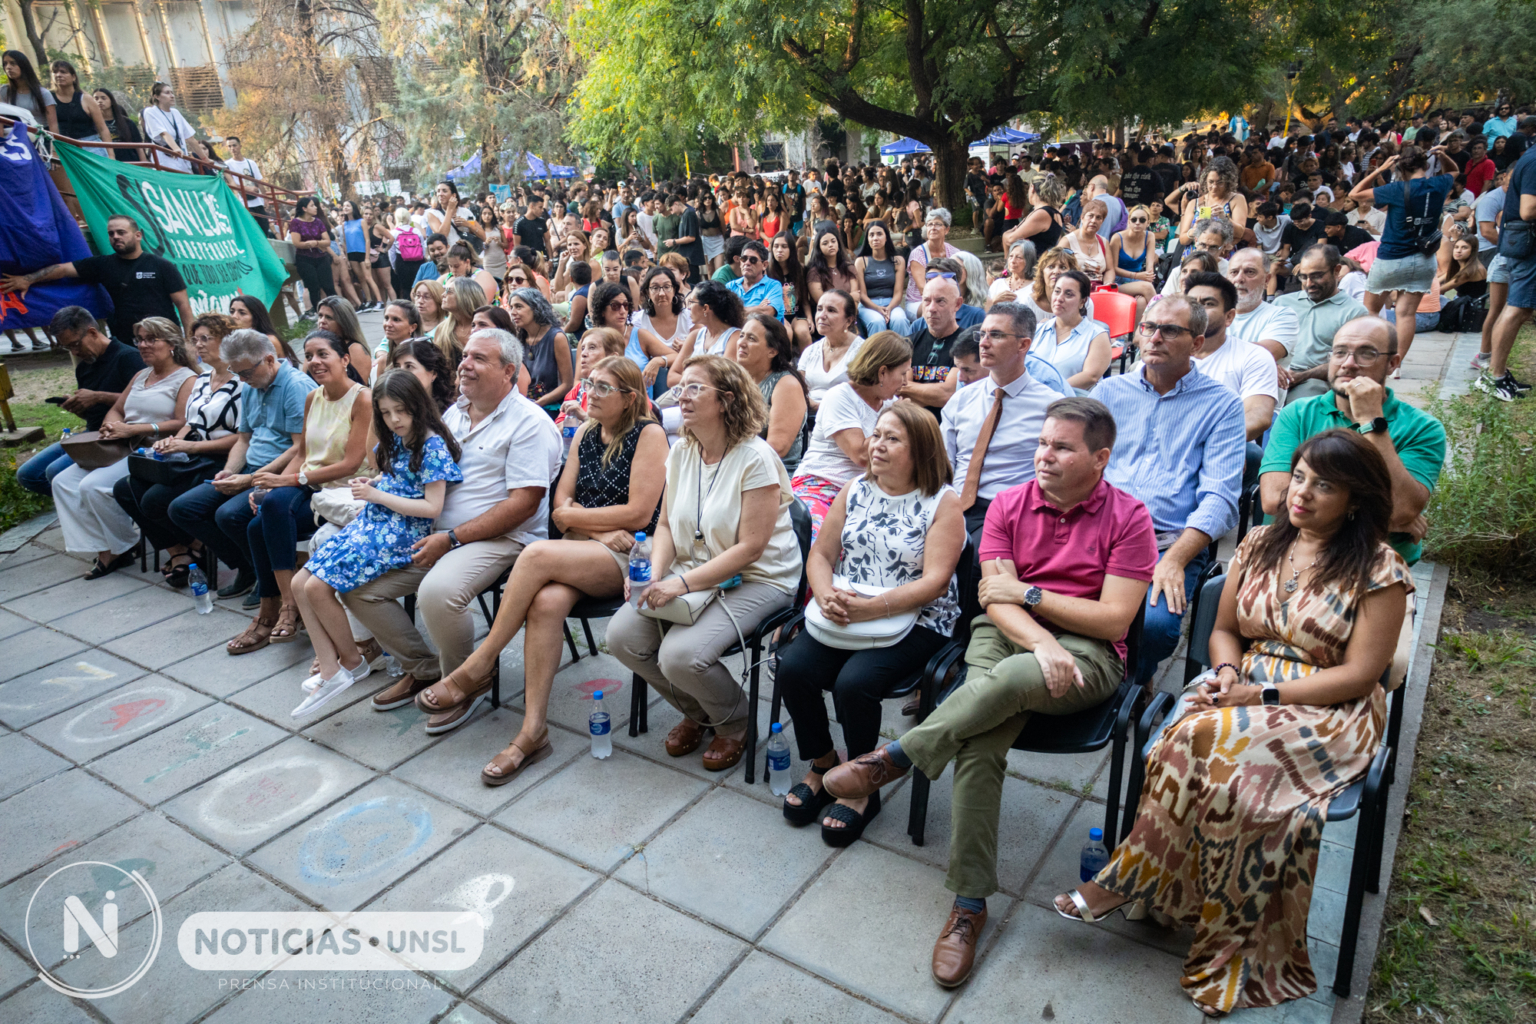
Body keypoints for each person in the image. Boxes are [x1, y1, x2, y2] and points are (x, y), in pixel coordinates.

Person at [1064, 429, 1410, 1017]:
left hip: (1328, 708)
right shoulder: (1261, 541)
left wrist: (1262, 693)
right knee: (1179, 740)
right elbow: (1225, 630)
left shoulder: (1381, 569)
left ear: (1355, 500)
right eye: (1298, 477)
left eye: (1323, 486)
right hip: (1243, 683)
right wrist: (1225, 673)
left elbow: (1360, 676)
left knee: (1233, 778)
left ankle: (1183, 917)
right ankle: (1151, 888)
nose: (1301, 493)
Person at [823, 397, 1157, 988]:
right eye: (1042, 442)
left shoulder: (1130, 518)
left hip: (1090, 654)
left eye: (1062, 447)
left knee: (1005, 686)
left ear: (1100, 458)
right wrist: (1041, 640)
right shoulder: (1008, 504)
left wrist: (1028, 597)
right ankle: (969, 904)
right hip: (1006, 636)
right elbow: (991, 601)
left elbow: (1112, 619)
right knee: (978, 746)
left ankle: (898, 755)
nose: (1044, 455)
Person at [436, 356, 666, 779]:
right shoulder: (586, 433)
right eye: (589, 383)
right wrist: (594, 529)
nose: (590, 393)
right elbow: (559, 508)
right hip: (587, 546)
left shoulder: (648, 435)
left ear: (630, 397)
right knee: (544, 604)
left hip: (632, 553)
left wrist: (579, 519)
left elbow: (638, 513)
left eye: (603, 387)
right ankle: (533, 732)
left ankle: (480, 663)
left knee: (535, 555)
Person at [346, 329, 562, 730]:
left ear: (508, 371)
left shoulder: (529, 422)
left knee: (438, 592)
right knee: (355, 584)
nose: (465, 365)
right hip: (433, 531)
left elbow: (524, 504)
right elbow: (420, 469)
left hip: (502, 539)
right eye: (465, 356)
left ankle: (465, 680)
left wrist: (451, 538)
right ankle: (424, 669)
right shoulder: (455, 413)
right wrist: (383, 488)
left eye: (479, 358)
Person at [779, 400, 964, 843]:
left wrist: (873, 607)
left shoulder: (943, 502)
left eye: (891, 438)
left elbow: (936, 582)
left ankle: (862, 784)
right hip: (850, 608)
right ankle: (824, 763)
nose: (876, 445)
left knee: (854, 682)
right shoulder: (855, 489)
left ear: (920, 450)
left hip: (918, 618)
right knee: (793, 668)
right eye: (876, 434)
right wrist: (824, 593)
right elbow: (821, 555)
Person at [606, 355, 802, 771]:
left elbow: (751, 548)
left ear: (726, 400)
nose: (682, 396)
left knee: (680, 656)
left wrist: (680, 584)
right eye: (681, 388)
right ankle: (700, 711)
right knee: (622, 636)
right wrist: (654, 573)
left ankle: (735, 721)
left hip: (759, 578)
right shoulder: (682, 451)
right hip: (694, 566)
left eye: (695, 388)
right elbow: (664, 526)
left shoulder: (756, 458)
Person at [1089, 295, 1245, 685]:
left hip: (1165, 541)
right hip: (1095, 531)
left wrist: (1174, 559)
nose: (1155, 338)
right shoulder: (1109, 393)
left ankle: (1132, 685)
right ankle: (1085, 675)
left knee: (1154, 627)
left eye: (1170, 330)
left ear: (1197, 343)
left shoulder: (1222, 405)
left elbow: (1220, 498)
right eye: (1149, 327)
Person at [291, 371, 463, 716]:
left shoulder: (431, 445)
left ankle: (351, 662)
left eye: (400, 410)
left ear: (417, 405)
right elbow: (396, 477)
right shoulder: (399, 440)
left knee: (317, 587)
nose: (394, 419)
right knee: (300, 583)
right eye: (385, 413)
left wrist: (377, 495)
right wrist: (375, 484)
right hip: (376, 524)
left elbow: (432, 507)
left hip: (400, 534)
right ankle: (331, 667)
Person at [1261, 316, 1445, 572]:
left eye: (1366, 354)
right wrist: (1382, 517)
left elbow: (1401, 509)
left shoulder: (1423, 428)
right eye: (1339, 353)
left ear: (1392, 363)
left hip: (1376, 565)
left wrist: (1372, 421)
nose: (1348, 363)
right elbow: (1273, 499)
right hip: (1293, 553)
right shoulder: (1297, 413)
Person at [231, 331, 372, 650]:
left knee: (271, 510)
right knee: (257, 523)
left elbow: (350, 464)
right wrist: (273, 485)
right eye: (309, 356)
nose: (315, 362)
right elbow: (302, 454)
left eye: (323, 354)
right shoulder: (314, 398)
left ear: (344, 359)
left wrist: (285, 481)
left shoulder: (362, 399)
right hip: (311, 487)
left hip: (344, 491)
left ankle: (287, 607)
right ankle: (274, 607)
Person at [53, 318, 197, 578]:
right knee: (62, 482)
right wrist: (110, 426)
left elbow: (182, 422)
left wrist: (134, 429)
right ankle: (103, 546)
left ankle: (121, 547)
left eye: (151, 339)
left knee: (92, 485)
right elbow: (117, 409)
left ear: (172, 344)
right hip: (121, 445)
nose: (143, 345)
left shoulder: (186, 378)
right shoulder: (141, 375)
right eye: (139, 340)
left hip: (153, 451)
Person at [113, 313, 243, 586]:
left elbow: (243, 439)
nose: (198, 345)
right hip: (194, 455)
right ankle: (182, 549)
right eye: (195, 339)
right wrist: (173, 442)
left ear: (227, 341)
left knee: (156, 500)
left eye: (206, 338)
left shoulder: (241, 382)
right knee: (126, 487)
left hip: (221, 458)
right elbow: (191, 422)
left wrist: (190, 446)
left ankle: (212, 550)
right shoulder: (204, 378)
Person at [2, 214, 193, 345]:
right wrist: (28, 279)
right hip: (127, 343)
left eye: (121, 232)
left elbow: (183, 305)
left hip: (164, 341)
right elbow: (63, 269)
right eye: (111, 233)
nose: (115, 237)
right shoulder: (103, 265)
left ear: (138, 235)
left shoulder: (161, 266)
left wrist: (190, 342)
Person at [16, 307, 146, 497]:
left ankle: (93, 503)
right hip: (90, 433)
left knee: (54, 472)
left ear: (92, 332)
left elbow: (147, 401)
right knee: (28, 474)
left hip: (120, 437)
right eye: (68, 348)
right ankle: (78, 502)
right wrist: (78, 407)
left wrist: (98, 396)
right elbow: (92, 415)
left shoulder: (127, 358)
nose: (75, 352)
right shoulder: (84, 367)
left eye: (76, 344)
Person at [792, 331, 912, 537]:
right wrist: (897, 419)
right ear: (882, 372)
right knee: (822, 540)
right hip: (821, 486)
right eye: (902, 374)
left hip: (866, 493)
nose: (905, 382)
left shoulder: (890, 405)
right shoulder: (839, 397)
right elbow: (861, 456)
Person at [1350, 146, 1458, 368]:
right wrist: (1443, 155)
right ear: (1426, 165)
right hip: (1424, 259)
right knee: (1406, 314)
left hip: (1391, 258)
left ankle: (1371, 359)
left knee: (1371, 310)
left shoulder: (1397, 188)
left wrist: (1380, 169)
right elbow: (1455, 171)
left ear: (1400, 168)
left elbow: (1355, 194)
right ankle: (1394, 365)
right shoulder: (1439, 184)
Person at [1183, 271, 1280, 486]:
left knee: (1250, 453)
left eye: (1208, 303)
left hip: (1220, 447)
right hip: (1165, 441)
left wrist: (1213, 442)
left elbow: (1258, 415)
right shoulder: (1165, 351)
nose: (1197, 310)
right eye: (1192, 303)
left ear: (1229, 317)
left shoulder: (1253, 356)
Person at [1477, 141, 1536, 401]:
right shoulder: (1535, 162)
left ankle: (1496, 372)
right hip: (1527, 244)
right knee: (1517, 308)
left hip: (1523, 243)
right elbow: (1528, 210)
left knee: (1519, 309)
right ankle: (1494, 376)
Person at [1274, 244, 1370, 402]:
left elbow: (1348, 363)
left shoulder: (1354, 312)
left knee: (1302, 406)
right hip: (1274, 373)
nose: (1309, 283)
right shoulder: (1282, 303)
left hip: (1313, 380)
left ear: (1336, 271)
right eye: (1303, 277)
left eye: (1317, 276)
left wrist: (1302, 376)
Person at [735, 314, 808, 474]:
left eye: (751, 339)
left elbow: (776, 449)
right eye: (741, 336)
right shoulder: (737, 380)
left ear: (772, 351)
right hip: (737, 465)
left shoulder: (786, 384)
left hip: (774, 473)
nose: (741, 343)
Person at [1031, 270, 1112, 392]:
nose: (1059, 298)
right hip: (1033, 397)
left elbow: (1090, 376)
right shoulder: (1038, 330)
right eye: (1057, 291)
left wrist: (1048, 393)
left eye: (1068, 294)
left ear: (1082, 301)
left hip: (1073, 400)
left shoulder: (1097, 335)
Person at [1225, 248, 1300, 372]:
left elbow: (1261, 356)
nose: (1239, 279)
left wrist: (1210, 352)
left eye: (1250, 272)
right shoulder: (1212, 314)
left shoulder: (1282, 315)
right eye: (1234, 272)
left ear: (1267, 280)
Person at [506, 287, 573, 408]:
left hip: (550, 407)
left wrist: (537, 404)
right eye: (511, 307)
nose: (513, 312)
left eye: (519, 307)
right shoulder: (519, 338)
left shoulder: (556, 338)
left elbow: (567, 384)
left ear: (536, 308)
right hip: (524, 405)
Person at [796, 290, 863, 410]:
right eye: (819, 309)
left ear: (849, 320)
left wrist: (820, 407)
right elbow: (797, 389)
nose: (822, 316)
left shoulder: (862, 351)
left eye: (831, 310)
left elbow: (863, 396)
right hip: (807, 414)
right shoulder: (810, 351)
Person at [854, 220, 910, 336]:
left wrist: (889, 308)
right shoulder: (861, 262)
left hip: (892, 303)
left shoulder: (898, 261)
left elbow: (898, 294)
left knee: (900, 320)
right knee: (877, 322)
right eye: (871, 235)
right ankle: (878, 349)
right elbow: (862, 295)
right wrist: (878, 309)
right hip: (868, 305)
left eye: (879, 234)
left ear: (886, 237)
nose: (875, 238)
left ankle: (904, 348)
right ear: (867, 239)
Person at [903, 208, 962, 318]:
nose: (933, 227)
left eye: (938, 224)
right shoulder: (918, 254)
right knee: (937, 310)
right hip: (919, 302)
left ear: (947, 229)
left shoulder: (955, 253)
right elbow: (923, 289)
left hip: (947, 300)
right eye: (930, 224)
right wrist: (945, 302)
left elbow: (960, 282)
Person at [141, 82, 206, 172]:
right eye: (167, 93)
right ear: (157, 96)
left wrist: (205, 159)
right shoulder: (150, 112)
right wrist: (175, 148)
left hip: (182, 161)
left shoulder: (175, 113)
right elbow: (164, 134)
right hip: (165, 161)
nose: (172, 96)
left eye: (172, 92)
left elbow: (190, 138)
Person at [288, 198, 337, 314]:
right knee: (313, 288)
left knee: (329, 286)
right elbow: (297, 243)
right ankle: (319, 313)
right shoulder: (295, 222)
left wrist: (315, 243)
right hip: (304, 259)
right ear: (304, 208)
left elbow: (327, 241)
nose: (315, 208)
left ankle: (337, 311)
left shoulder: (318, 222)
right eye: (312, 205)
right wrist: (312, 244)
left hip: (321, 257)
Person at [1109, 205, 1157, 320]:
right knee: (1147, 287)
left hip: (1137, 281)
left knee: (1141, 302)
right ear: (1129, 221)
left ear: (1148, 223)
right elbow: (1112, 268)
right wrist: (1137, 276)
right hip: (1117, 281)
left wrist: (1148, 276)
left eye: (1142, 220)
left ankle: (1138, 331)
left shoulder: (1150, 236)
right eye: (1134, 219)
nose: (1137, 223)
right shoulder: (1117, 238)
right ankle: (1161, 318)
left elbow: (1149, 265)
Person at [388, 337, 459, 412]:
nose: (400, 373)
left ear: (433, 373)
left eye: (409, 366)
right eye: (397, 367)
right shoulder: (389, 407)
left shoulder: (451, 413)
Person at [47, 60, 108, 142]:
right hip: (63, 144)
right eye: (54, 72)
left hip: (89, 143)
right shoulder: (48, 97)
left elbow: (102, 128)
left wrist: (110, 150)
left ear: (73, 77)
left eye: (63, 72)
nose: (58, 75)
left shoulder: (86, 98)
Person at [725, 240, 786, 321]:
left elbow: (766, 312)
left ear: (764, 265)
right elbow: (722, 313)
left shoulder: (773, 286)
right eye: (744, 259)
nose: (747, 263)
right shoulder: (730, 286)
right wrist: (758, 308)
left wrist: (734, 311)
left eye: (753, 260)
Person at [1, 50, 57, 133]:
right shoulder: (4, 91)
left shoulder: (43, 93)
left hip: (41, 136)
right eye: (5, 64)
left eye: (13, 63)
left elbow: (53, 125)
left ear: (23, 66)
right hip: (15, 137)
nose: (8, 67)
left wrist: (53, 141)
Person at [91, 88, 147, 163]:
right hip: (105, 162)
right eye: (96, 99)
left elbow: (139, 147)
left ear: (111, 101)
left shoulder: (127, 122)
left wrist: (144, 164)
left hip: (129, 162)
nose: (100, 101)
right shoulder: (91, 124)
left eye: (103, 98)